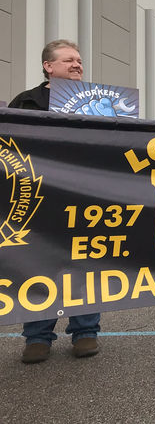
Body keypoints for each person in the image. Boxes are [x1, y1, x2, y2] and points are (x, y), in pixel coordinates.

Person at [9, 39, 102, 363]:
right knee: (39, 264)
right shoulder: (26, 102)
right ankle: (38, 337)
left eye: (79, 60)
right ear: (49, 66)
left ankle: (85, 332)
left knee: (86, 264)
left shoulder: (99, 102)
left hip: (87, 198)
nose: (77, 64)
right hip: (41, 202)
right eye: (69, 60)